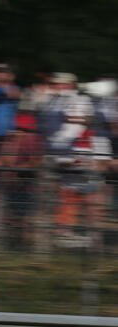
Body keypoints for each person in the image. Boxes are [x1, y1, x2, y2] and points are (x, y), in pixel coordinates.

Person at [48, 104, 112, 250]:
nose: (77, 119)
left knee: (94, 212)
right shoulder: (62, 137)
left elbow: (105, 163)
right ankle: (64, 241)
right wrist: (71, 163)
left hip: (93, 185)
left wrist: (92, 166)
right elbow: (56, 160)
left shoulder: (100, 139)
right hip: (70, 184)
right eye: (73, 116)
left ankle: (95, 246)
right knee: (66, 210)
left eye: (82, 116)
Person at [0, 113, 45, 248]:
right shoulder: (11, 141)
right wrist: (10, 144)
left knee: (28, 220)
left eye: (20, 129)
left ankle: (27, 246)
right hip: (13, 186)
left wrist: (13, 168)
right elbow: (3, 160)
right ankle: (12, 246)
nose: (17, 132)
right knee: (11, 218)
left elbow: (34, 162)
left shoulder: (33, 140)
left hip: (29, 187)